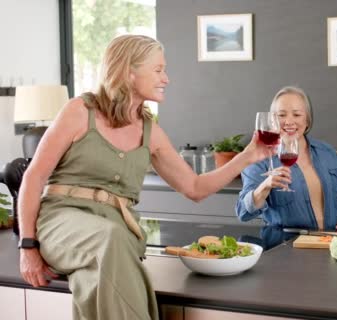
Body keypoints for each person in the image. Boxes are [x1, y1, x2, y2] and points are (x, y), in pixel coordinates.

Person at [18, 35, 272, 320]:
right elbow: (34, 177)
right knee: (112, 240)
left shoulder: (151, 131)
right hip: (62, 222)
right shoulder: (80, 111)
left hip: (115, 236)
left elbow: (195, 188)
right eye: (158, 69)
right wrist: (28, 246)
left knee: (103, 270)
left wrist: (248, 155)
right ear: (129, 70)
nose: (167, 78)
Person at [236, 86, 337, 232]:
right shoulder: (260, 159)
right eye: (281, 115)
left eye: (296, 115)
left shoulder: (327, 152)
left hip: (329, 244)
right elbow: (243, 213)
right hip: (283, 247)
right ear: (272, 120)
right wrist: (265, 187)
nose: (289, 121)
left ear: (307, 119)